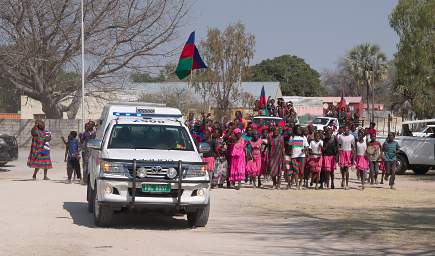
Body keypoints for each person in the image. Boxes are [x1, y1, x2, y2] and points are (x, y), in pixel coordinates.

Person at [338, 125, 355, 190]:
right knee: (342, 169)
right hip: (342, 153)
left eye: (347, 128)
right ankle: (343, 179)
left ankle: (347, 184)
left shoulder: (352, 137)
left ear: (349, 129)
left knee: (347, 169)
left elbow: (353, 147)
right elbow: (339, 146)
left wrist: (353, 156)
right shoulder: (341, 137)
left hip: (349, 153)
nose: (346, 130)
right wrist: (339, 154)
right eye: (345, 129)